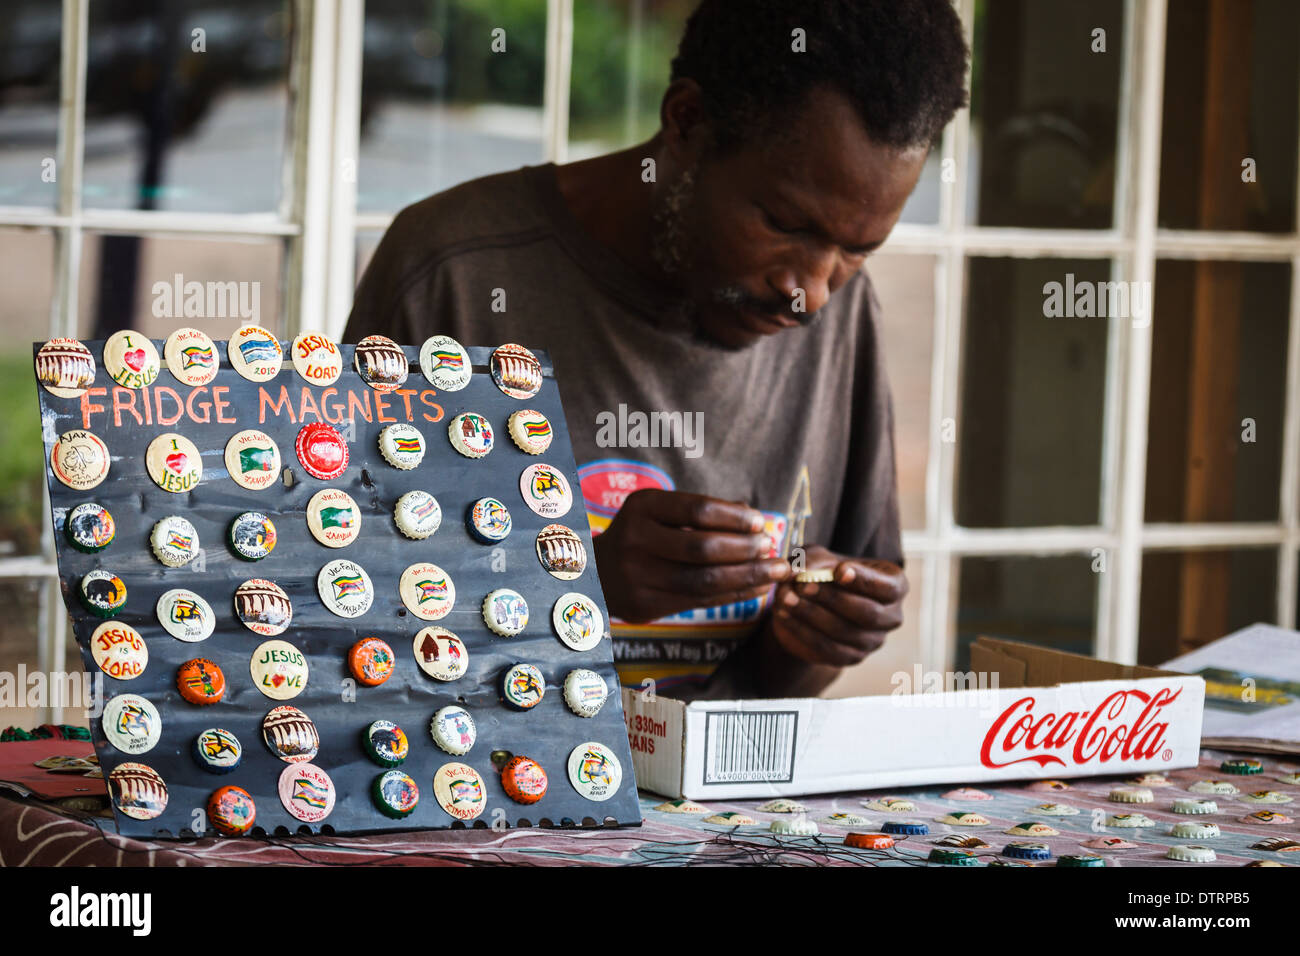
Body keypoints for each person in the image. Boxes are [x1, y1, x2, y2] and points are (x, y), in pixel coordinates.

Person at [343, 0, 969, 700]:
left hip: (724, 802)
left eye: (858, 248)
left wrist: (818, 636)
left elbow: (796, 665)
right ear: (687, 122)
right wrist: (576, 582)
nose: (813, 292)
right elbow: (334, 606)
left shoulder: (844, 312)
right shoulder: (456, 270)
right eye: (784, 223)